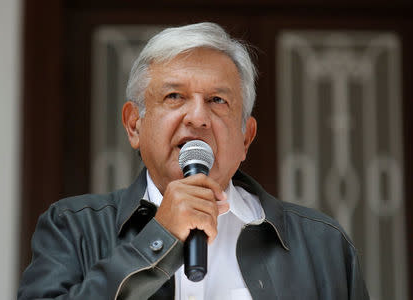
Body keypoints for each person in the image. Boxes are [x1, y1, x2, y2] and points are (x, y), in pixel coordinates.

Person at [18, 22, 369, 300]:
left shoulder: (322, 245)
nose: (198, 117)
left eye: (217, 100)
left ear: (246, 137)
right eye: (175, 96)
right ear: (133, 125)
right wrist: (159, 237)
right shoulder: (72, 228)